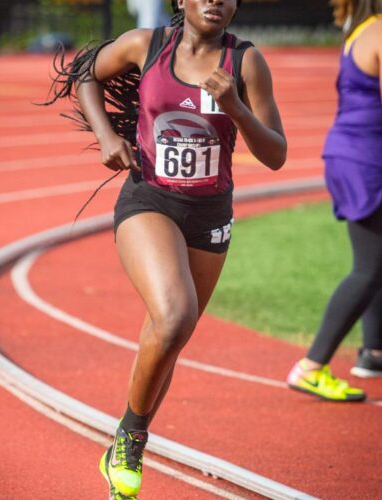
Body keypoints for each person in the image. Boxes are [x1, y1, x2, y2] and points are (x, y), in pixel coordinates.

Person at [46, 0, 286, 497]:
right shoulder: (146, 45)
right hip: (149, 199)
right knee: (176, 314)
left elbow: (276, 154)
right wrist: (105, 134)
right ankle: (130, 438)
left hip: (210, 215)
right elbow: (85, 70)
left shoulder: (245, 62)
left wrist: (237, 107)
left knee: (169, 337)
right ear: (182, 0)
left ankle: (120, 461)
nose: (216, 1)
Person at [287, 0, 382, 401]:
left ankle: (375, 352)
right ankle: (312, 365)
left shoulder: (359, 30)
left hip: (349, 154)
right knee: (371, 266)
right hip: (374, 159)